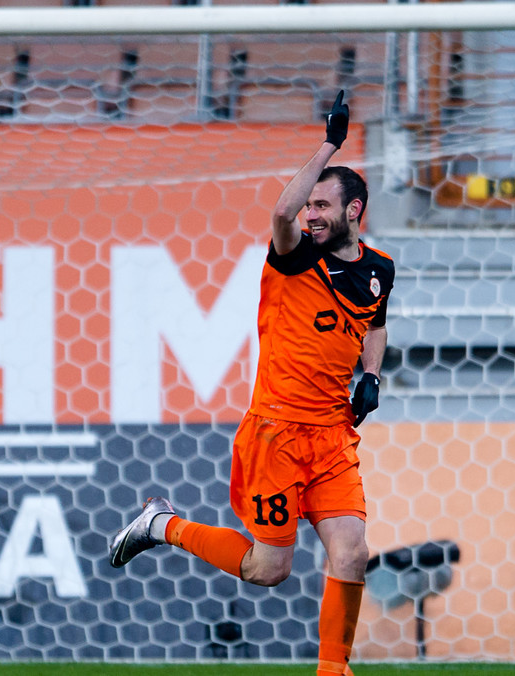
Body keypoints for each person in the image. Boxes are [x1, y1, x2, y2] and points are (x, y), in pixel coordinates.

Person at [108, 91, 394, 676]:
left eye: (323, 205)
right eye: (310, 203)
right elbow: (280, 216)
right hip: (277, 434)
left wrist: (371, 373)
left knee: (352, 552)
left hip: (333, 438)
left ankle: (333, 672)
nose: (311, 213)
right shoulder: (294, 258)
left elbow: (377, 323)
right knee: (269, 570)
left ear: (354, 210)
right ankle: (163, 525)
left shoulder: (378, 270)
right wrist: (328, 145)